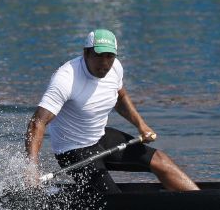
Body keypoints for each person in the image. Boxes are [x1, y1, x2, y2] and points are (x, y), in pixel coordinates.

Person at [25, 29, 199, 194]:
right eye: (99, 56)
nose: (105, 63)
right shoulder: (65, 79)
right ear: (86, 53)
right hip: (73, 151)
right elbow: (37, 123)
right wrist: (32, 167)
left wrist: (141, 125)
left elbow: (120, 97)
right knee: (114, 200)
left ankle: (198, 199)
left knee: (161, 161)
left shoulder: (115, 68)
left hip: (100, 137)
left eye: (110, 56)